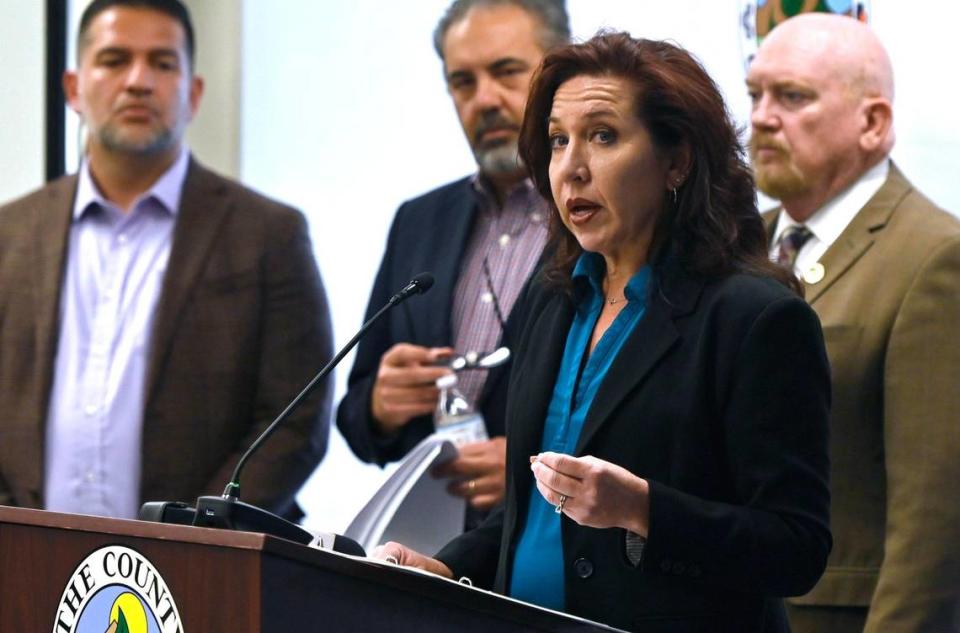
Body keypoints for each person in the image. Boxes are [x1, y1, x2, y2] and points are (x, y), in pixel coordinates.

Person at [375, 33, 832, 633]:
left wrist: (644, 510)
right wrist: (444, 566)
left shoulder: (754, 319)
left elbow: (795, 547)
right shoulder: (554, 297)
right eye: (559, 140)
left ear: (677, 161)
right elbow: (528, 511)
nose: (572, 167)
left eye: (603, 136)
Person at [0, 0, 332, 520]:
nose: (138, 81)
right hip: (22, 565)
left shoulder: (269, 235)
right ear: (72, 88)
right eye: (113, 60)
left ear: (193, 93)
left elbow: (296, 419)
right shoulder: (8, 235)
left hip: (203, 573)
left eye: (162, 63)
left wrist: (198, 533)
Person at [747, 13, 960, 633]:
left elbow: (935, 519)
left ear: (873, 123)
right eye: (755, 93)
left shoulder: (934, 258)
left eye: (793, 97)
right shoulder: (737, 245)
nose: (761, 116)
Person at [336, 0, 570, 520]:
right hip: (430, 549)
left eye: (507, 72)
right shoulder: (418, 221)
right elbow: (354, 417)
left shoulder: (604, 214)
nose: (484, 99)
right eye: (462, 82)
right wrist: (380, 405)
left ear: (560, 72)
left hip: (559, 557)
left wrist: (538, 467)